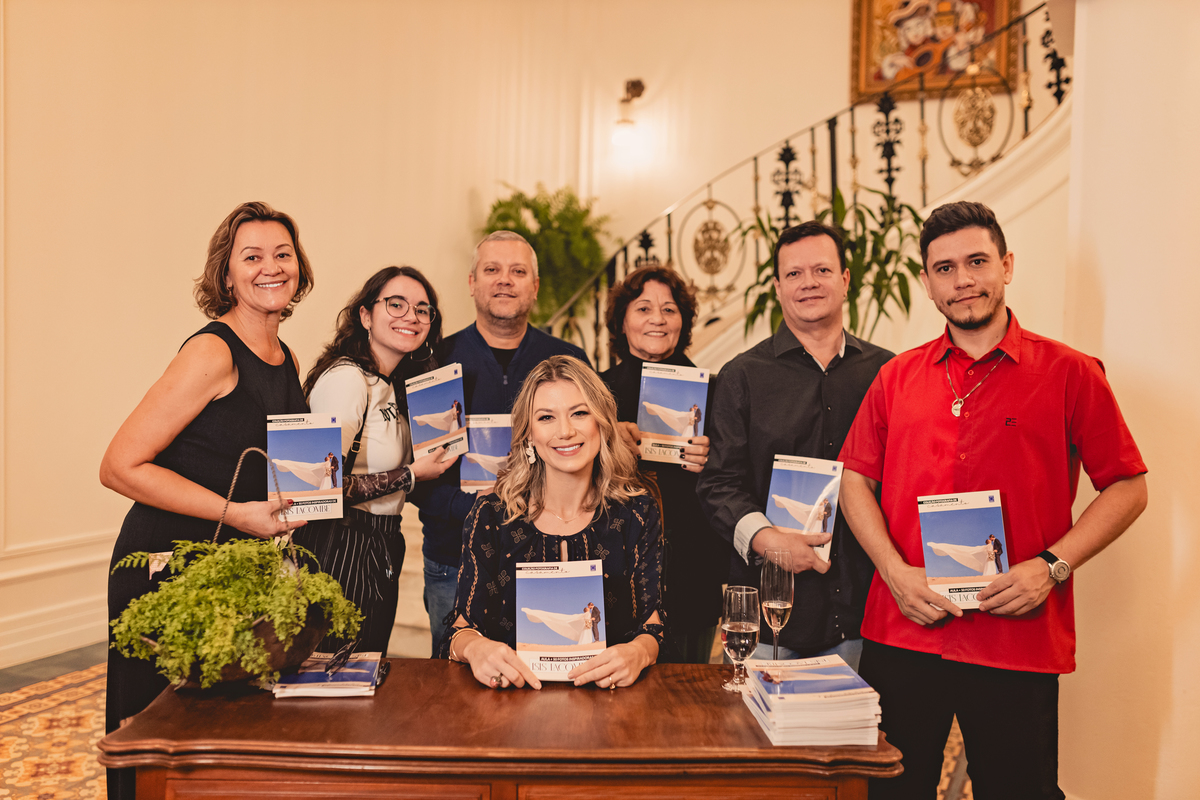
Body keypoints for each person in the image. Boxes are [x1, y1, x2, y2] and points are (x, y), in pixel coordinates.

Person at [838, 201, 1147, 799]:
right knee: (886, 794)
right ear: (927, 283)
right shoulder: (896, 377)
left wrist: (1052, 567)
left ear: (1006, 266)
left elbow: (1129, 486)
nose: (963, 280)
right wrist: (894, 572)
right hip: (905, 628)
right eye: (945, 269)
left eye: (977, 262)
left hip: (1016, 637)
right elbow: (855, 481)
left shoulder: (1071, 372)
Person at [99, 201, 315, 800]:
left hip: (232, 569)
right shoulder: (212, 352)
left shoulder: (286, 358)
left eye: (283, 254)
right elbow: (118, 465)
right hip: (167, 569)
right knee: (162, 744)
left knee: (222, 748)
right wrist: (237, 514)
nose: (271, 267)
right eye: (252, 257)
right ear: (226, 274)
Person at [696, 220, 893, 671]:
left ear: (845, 279)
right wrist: (768, 541)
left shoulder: (888, 373)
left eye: (822, 270)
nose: (809, 283)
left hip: (867, 614)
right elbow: (718, 485)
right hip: (770, 617)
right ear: (778, 287)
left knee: (863, 721)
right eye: (794, 274)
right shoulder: (741, 376)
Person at [410, 231, 588, 655]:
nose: (504, 279)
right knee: (453, 675)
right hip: (453, 558)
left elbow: (588, 459)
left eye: (518, 271)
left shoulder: (569, 362)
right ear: (472, 282)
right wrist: (480, 509)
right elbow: (414, 474)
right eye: (492, 269)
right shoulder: (432, 360)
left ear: (535, 286)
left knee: (547, 677)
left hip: (547, 555)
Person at [442, 355, 664, 690]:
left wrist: (639, 652)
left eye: (579, 413)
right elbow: (459, 631)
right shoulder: (491, 515)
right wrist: (475, 648)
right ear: (528, 434)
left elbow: (654, 626)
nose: (565, 431)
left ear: (602, 423)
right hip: (510, 701)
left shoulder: (637, 513)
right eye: (546, 417)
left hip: (613, 702)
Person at [300, 266, 458, 654]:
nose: (411, 316)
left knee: (365, 665)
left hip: (380, 543)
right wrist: (411, 475)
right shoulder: (347, 379)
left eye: (422, 309)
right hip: (339, 545)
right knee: (332, 669)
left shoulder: (393, 386)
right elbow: (312, 490)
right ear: (366, 316)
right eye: (396, 304)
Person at [600, 265, 727, 664]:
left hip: (692, 567)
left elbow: (737, 479)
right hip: (615, 567)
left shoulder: (716, 390)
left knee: (690, 690)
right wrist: (606, 440)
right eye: (643, 308)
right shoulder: (595, 392)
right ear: (622, 321)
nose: (657, 319)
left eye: (669, 309)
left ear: (682, 322)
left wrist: (714, 458)